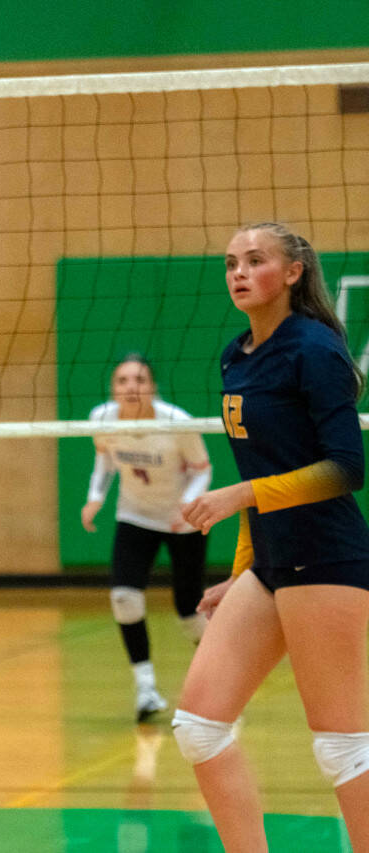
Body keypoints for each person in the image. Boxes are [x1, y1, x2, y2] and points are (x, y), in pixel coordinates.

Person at [177, 222, 369, 851]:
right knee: (198, 728)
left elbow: (346, 468)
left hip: (329, 558)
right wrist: (242, 570)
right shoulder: (237, 356)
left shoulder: (314, 349)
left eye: (255, 261)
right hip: (272, 563)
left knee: (342, 747)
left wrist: (242, 497)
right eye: (231, 262)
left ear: (292, 273)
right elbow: (258, 470)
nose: (238, 272)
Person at [81, 354, 212, 722]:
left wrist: (187, 506)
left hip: (180, 520)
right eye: (122, 381)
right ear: (113, 389)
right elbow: (105, 459)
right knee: (124, 597)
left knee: (189, 612)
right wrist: (96, 497)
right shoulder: (101, 418)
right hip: (135, 515)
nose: (130, 387)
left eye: (139, 380)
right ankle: (146, 690)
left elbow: (204, 470)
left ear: (153, 387)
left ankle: (221, 684)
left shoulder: (177, 423)